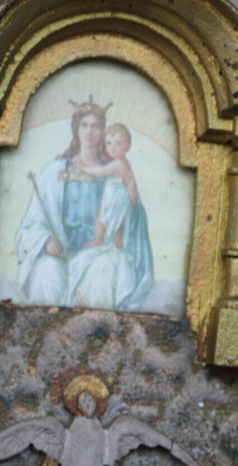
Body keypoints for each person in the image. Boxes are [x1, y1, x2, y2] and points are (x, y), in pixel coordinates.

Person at [15, 101, 153, 311]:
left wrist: (131, 201)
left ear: (104, 132)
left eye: (96, 126)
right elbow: (32, 223)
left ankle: (94, 336)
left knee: (106, 268)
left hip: (98, 254)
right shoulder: (54, 173)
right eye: (84, 125)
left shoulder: (114, 173)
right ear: (76, 129)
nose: (90, 132)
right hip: (61, 256)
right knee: (45, 271)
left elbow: (134, 218)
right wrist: (45, 241)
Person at [66, 123, 153, 310]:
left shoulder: (119, 163)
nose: (112, 147)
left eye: (117, 143)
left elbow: (103, 173)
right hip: (111, 194)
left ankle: (116, 242)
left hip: (118, 197)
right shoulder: (121, 163)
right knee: (102, 217)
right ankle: (100, 239)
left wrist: (83, 167)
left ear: (127, 145)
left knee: (114, 222)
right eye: (109, 143)